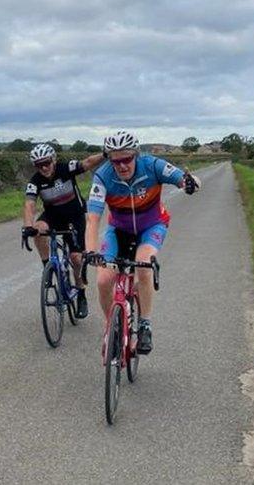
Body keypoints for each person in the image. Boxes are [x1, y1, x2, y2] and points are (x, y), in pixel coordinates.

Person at [83, 131, 200, 353]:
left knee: (144, 263)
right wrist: (90, 251)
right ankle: (113, 327)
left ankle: (145, 325)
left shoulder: (152, 165)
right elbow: (93, 219)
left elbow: (182, 179)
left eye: (127, 159)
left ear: (136, 154)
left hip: (151, 226)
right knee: (103, 279)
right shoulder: (102, 176)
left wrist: (190, 183)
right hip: (118, 230)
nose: (121, 166)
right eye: (115, 161)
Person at [22, 143, 105, 318]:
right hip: (53, 216)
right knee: (37, 230)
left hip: (74, 217)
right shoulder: (35, 181)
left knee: (76, 258)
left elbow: (88, 162)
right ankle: (48, 267)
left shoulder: (65, 168)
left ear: (53, 159)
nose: (44, 167)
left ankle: (81, 293)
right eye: (39, 165)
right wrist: (28, 226)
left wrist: (106, 154)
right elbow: (29, 203)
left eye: (46, 162)